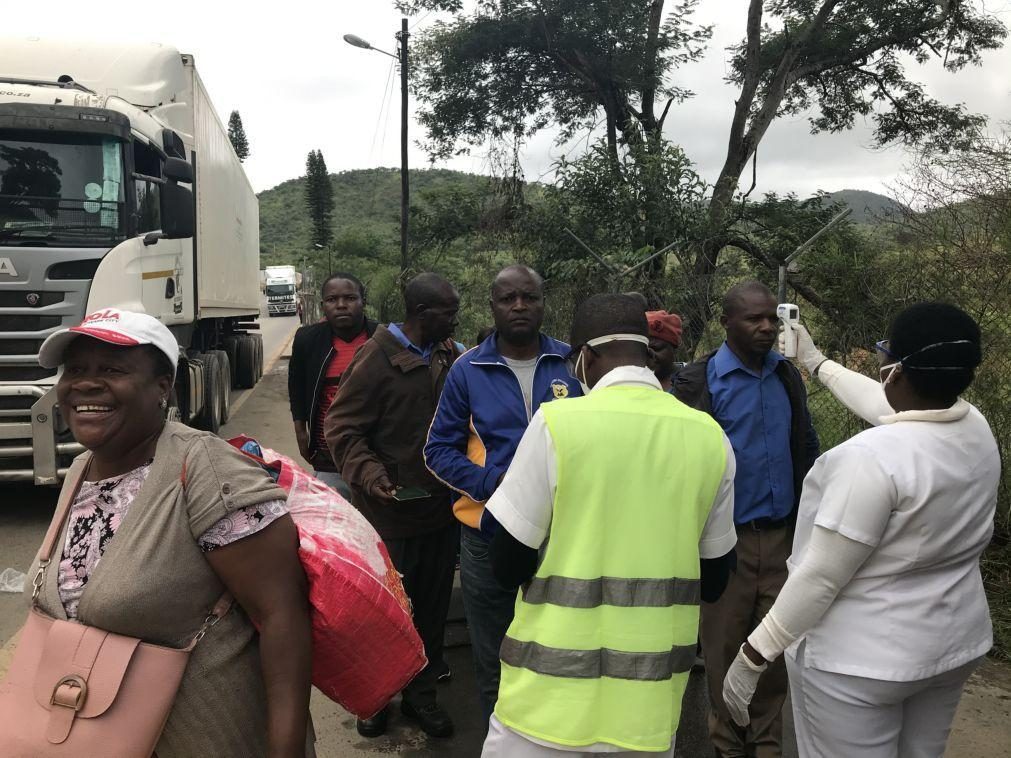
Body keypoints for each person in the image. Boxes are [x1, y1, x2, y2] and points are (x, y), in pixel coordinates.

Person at [26, 308, 313, 758]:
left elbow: (284, 616)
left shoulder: (207, 471)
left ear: (163, 386)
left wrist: (286, 750)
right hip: (100, 737)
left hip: (210, 738)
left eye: (112, 369)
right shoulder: (82, 469)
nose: (85, 383)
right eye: (75, 369)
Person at [723, 303, 1000, 758]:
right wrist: (817, 362)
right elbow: (891, 407)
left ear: (896, 369)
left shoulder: (869, 459)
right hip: (951, 646)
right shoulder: (973, 427)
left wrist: (754, 655)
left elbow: (821, 576)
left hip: (858, 665)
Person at [480, 294, 738, 757]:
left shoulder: (557, 424)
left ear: (585, 357)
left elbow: (506, 561)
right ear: (645, 352)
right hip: (648, 713)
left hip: (545, 707)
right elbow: (716, 579)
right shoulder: (709, 437)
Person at [424, 265, 582, 726]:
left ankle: (552, 736)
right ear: (491, 306)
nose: (518, 306)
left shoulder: (571, 363)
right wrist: (500, 484)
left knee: (559, 643)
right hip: (486, 533)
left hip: (562, 536)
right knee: (494, 649)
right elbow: (437, 451)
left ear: (543, 302)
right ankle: (502, 736)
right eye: (507, 298)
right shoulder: (467, 369)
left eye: (528, 297)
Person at [673, 280, 819, 758]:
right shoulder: (698, 384)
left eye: (770, 319)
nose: (766, 326)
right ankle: (726, 744)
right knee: (723, 650)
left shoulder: (786, 377)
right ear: (726, 323)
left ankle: (766, 744)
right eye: (753, 318)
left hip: (782, 540)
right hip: (724, 544)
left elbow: (805, 444)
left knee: (773, 652)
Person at [326, 272, 462, 739]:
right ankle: (376, 700)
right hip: (387, 518)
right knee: (384, 616)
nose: (456, 318)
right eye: (449, 310)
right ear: (423, 314)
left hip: (439, 514)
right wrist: (372, 477)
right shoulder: (376, 358)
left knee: (430, 612)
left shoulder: (449, 353)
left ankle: (422, 699)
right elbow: (342, 428)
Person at [288, 272, 377, 500]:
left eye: (349, 298)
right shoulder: (307, 339)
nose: (341, 305)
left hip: (376, 452)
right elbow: (297, 386)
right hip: (328, 454)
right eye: (332, 300)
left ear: (363, 302)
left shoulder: (382, 338)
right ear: (322, 305)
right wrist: (301, 432)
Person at [645, 309, 683, 391]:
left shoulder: (694, 378)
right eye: (643, 351)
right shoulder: (633, 382)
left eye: (656, 349)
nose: (649, 355)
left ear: (674, 349)